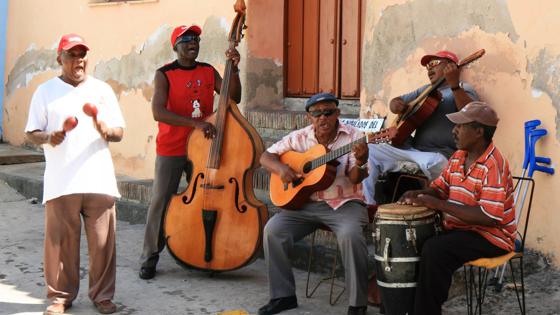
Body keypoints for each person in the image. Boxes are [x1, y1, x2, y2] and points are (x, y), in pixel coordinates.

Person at [24, 34, 125, 315]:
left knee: (103, 244)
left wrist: (106, 130)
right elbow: (31, 132)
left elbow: (119, 131)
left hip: (99, 179)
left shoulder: (102, 90)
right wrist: (49, 136)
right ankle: (60, 297)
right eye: (71, 54)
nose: (78, 59)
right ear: (60, 59)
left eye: (82, 54)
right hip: (62, 180)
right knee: (60, 244)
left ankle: (102, 296)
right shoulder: (45, 91)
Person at [138, 24, 242, 279]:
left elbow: (234, 97)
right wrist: (194, 123)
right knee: (161, 201)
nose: (192, 42)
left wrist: (234, 68)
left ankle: (198, 253)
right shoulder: (164, 74)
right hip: (172, 148)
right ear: (175, 46)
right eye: (185, 39)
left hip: (204, 147)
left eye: (195, 39)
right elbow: (158, 112)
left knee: (204, 200)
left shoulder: (208, 71)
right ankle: (150, 256)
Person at [398, 101, 516, 315]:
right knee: (413, 240)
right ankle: (404, 307)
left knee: (436, 250)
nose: (454, 130)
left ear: (479, 132)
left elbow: (488, 217)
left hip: (491, 237)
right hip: (460, 231)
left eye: (460, 126)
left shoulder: (494, 165)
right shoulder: (458, 156)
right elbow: (440, 188)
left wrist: (439, 204)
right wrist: (419, 194)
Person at [258, 92, 370, 315]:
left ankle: (358, 304)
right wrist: (282, 169)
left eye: (328, 112)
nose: (323, 117)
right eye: (316, 113)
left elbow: (355, 178)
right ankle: (283, 296)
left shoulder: (355, 137)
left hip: (344, 204)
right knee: (273, 230)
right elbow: (265, 157)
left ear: (337, 113)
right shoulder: (299, 137)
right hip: (305, 205)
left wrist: (361, 160)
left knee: (351, 235)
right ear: (309, 117)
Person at [363, 50, 479, 205]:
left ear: (450, 66)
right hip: (412, 150)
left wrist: (454, 86)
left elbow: (471, 114)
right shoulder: (424, 90)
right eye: (427, 66)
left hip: (440, 155)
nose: (429, 69)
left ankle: (437, 203)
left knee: (435, 163)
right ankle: (368, 205)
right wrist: (396, 105)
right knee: (369, 150)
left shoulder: (463, 88)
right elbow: (394, 103)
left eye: (434, 64)